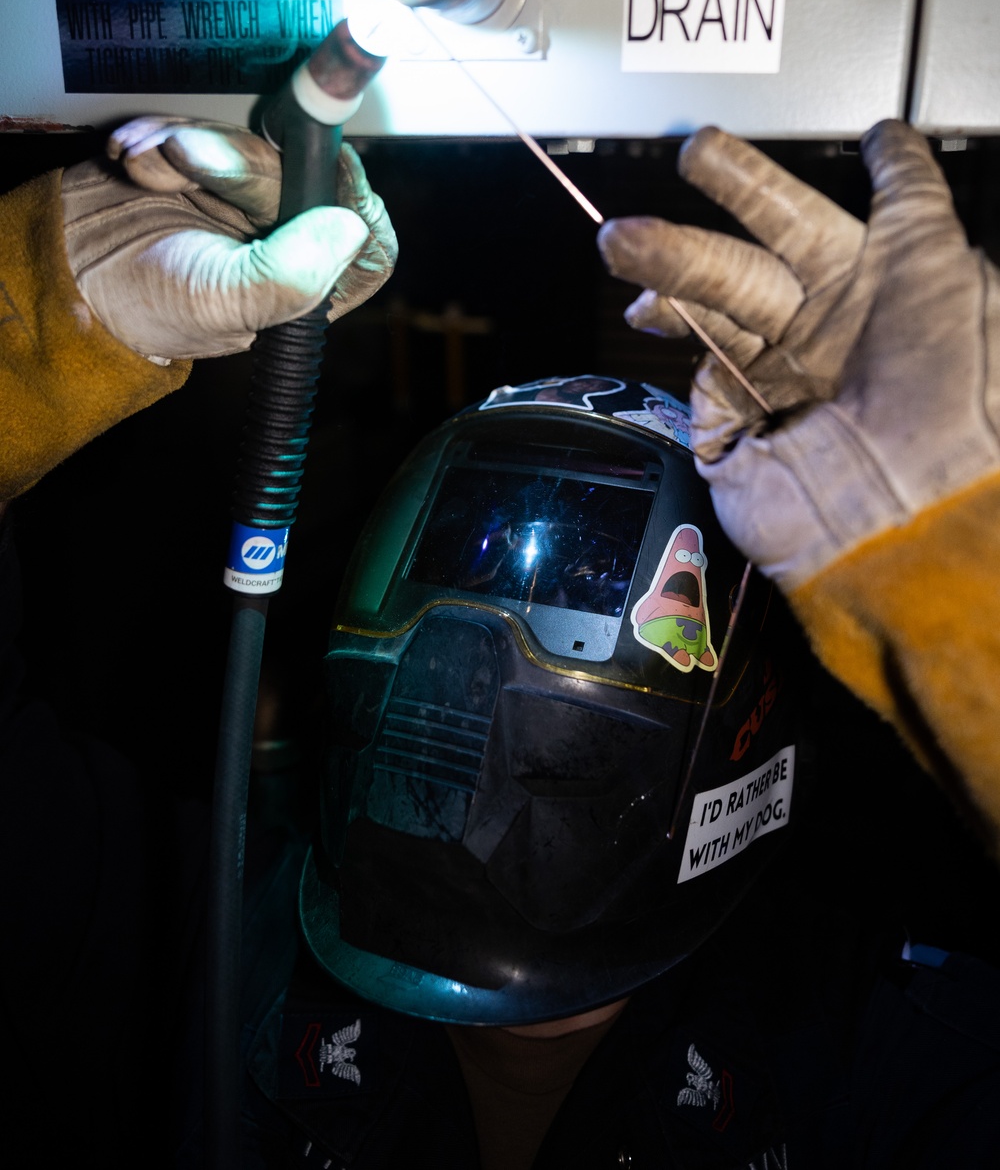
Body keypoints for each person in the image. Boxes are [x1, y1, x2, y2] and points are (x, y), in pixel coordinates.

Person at [2, 118, 1000, 1169]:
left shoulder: (882, 1065)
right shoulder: (194, 925)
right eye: (468, 548)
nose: (481, 641)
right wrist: (31, 320)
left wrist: (969, 592)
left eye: (573, 581)